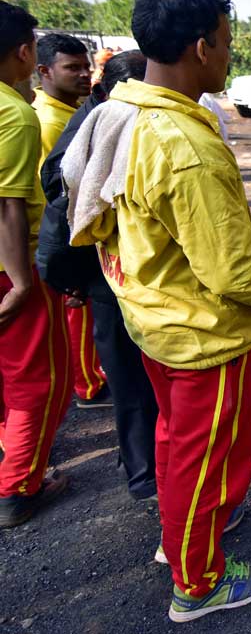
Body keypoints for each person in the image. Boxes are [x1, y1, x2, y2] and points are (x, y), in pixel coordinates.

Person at [61, 0, 251, 622]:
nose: (228, 54)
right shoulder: (185, 146)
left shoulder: (125, 110)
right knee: (209, 461)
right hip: (201, 336)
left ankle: (180, 543)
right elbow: (235, 274)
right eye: (226, 42)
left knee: (176, 445)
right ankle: (198, 584)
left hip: (154, 318)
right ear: (200, 48)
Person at [37, 50, 159, 500]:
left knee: (137, 375)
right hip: (110, 276)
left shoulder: (94, 119)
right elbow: (66, 206)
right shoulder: (100, 128)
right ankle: (146, 475)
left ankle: (145, 463)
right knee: (131, 377)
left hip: (111, 273)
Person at [0, 1, 73, 529]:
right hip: (12, 267)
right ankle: (18, 487)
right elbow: (8, 205)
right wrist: (23, 282)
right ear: (27, 53)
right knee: (37, 381)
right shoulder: (14, 114)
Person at [33, 33, 111, 410]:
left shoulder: (69, 111)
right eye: (72, 68)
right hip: (62, 231)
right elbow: (58, 190)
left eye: (86, 67)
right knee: (79, 311)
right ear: (45, 71)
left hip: (66, 230)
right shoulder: (49, 122)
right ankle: (88, 384)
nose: (83, 75)